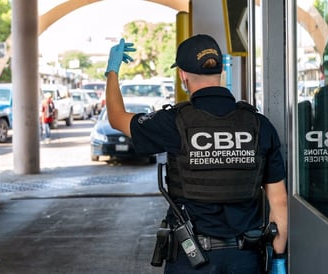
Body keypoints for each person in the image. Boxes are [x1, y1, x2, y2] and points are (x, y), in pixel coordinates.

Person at [104, 34, 288, 274]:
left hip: (191, 259)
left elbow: (117, 118)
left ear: (182, 75)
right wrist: (278, 260)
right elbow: (279, 201)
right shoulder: (259, 125)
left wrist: (112, 72)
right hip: (245, 258)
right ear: (220, 72)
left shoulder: (173, 123)